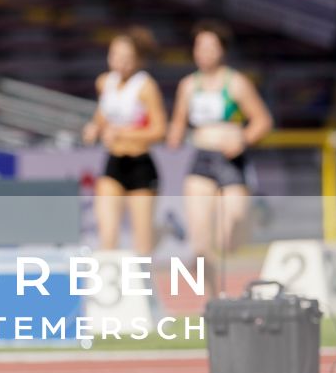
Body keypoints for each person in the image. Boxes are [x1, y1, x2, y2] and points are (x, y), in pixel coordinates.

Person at [167, 21, 273, 291]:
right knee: (200, 243)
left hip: (230, 161)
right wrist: (174, 136)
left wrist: (243, 139)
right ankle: (215, 301)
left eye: (211, 47)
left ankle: (251, 212)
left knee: (228, 234)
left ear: (222, 51)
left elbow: (262, 120)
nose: (204, 53)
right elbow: (178, 123)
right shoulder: (188, 86)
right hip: (201, 160)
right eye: (200, 47)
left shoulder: (236, 83)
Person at [81, 28, 167, 258]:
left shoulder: (145, 87)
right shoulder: (105, 82)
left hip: (140, 166)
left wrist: (124, 134)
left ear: (137, 60)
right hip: (114, 163)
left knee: (142, 245)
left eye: (126, 58)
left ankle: (141, 290)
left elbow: (159, 130)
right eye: (115, 56)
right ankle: (109, 291)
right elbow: (103, 115)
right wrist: (94, 128)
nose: (120, 63)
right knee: (107, 236)